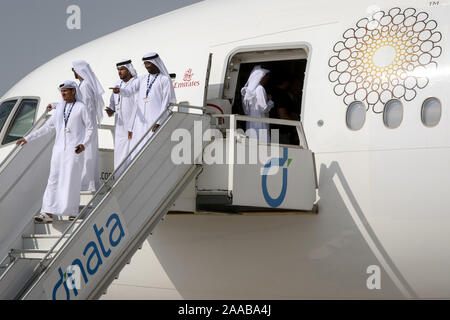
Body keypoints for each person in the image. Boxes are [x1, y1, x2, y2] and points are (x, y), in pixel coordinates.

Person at [16, 81, 94, 223]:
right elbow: (46, 128)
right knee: (53, 179)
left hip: (74, 150)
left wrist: (84, 144)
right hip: (58, 150)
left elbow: (90, 128)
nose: (63, 94)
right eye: (62, 91)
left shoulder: (81, 107)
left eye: (66, 91)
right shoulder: (60, 110)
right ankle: (48, 212)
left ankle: (72, 211)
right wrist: (28, 138)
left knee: (71, 179)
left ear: (73, 91)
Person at [110, 52, 176, 159]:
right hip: (140, 124)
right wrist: (120, 91)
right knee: (138, 150)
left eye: (149, 64)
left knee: (153, 151)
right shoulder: (142, 79)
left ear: (156, 63)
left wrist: (159, 121)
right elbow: (130, 90)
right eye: (145, 64)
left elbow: (168, 102)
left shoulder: (164, 80)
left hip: (155, 122)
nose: (147, 67)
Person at [72, 60, 104, 191]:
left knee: (88, 155)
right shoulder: (84, 85)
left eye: (74, 69)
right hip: (88, 125)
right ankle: (90, 183)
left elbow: (86, 107)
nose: (73, 72)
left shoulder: (84, 86)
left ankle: (88, 184)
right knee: (89, 154)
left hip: (86, 126)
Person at [106, 59, 138, 177]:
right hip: (119, 126)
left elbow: (137, 105)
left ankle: (130, 178)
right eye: (118, 70)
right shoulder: (117, 85)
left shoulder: (136, 83)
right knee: (119, 153)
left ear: (129, 70)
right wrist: (110, 111)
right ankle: (119, 177)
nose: (120, 72)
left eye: (122, 69)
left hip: (132, 126)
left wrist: (131, 127)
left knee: (131, 152)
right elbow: (112, 104)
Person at [241, 65, 274, 143]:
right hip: (260, 122)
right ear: (261, 77)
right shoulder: (260, 89)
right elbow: (264, 109)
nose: (267, 79)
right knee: (262, 144)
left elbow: (246, 111)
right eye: (266, 77)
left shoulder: (250, 90)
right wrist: (270, 101)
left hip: (251, 122)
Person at [269, 74, 299, 145]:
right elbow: (283, 116)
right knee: (282, 153)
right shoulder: (282, 95)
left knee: (274, 153)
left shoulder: (271, 91)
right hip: (281, 132)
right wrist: (297, 126)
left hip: (271, 128)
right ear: (286, 82)